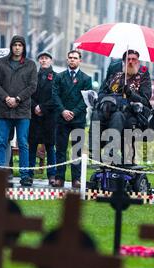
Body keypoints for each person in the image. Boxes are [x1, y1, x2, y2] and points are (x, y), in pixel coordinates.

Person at [0, 35, 38, 187]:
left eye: (20, 45)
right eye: (15, 45)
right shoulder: (0, 63)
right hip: (3, 110)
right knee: (1, 142)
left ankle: (25, 175)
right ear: (11, 46)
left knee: (23, 143)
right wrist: (6, 98)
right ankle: (0, 175)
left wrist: (17, 99)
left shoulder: (31, 65)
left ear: (24, 48)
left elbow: (32, 86)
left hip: (22, 110)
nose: (17, 47)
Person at [97, 49, 153, 164]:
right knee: (97, 115)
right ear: (123, 61)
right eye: (128, 59)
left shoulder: (143, 75)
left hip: (134, 114)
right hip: (112, 111)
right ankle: (96, 151)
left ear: (138, 62)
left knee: (122, 120)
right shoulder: (115, 75)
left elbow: (145, 100)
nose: (131, 62)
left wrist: (131, 94)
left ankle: (118, 156)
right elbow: (102, 92)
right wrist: (105, 100)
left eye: (134, 60)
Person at [52, 50, 92, 188]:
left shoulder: (86, 79)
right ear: (67, 59)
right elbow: (55, 96)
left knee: (77, 150)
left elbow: (85, 100)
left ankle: (76, 178)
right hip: (61, 118)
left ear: (80, 60)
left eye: (75, 58)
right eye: (70, 58)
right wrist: (63, 111)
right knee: (60, 149)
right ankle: (59, 178)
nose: (72, 60)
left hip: (78, 119)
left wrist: (73, 112)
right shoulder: (59, 77)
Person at [28, 51, 57, 186]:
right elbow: (28, 94)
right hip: (34, 117)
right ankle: (29, 173)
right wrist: (35, 107)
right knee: (32, 145)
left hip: (49, 117)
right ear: (39, 61)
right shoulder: (33, 76)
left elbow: (56, 97)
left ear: (51, 61)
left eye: (46, 58)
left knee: (50, 147)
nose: (44, 61)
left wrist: (43, 108)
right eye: (41, 58)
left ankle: (52, 175)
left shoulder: (57, 77)